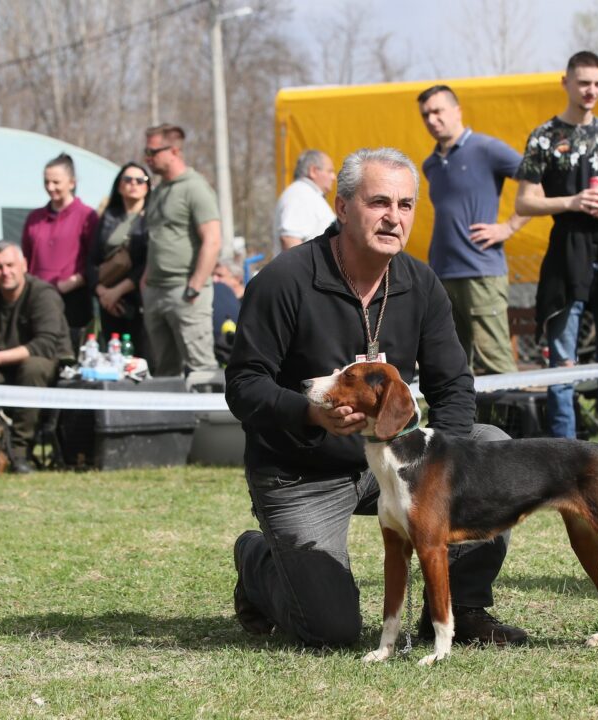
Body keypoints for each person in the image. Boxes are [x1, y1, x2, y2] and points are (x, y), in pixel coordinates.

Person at [225, 147, 526, 648]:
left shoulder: (420, 283)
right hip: (304, 470)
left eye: (405, 205)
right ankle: (257, 559)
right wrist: (312, 414)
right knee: (332, 631)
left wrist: (436, 466)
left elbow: (453, 385)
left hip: (394, 458)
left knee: (490, 444)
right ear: (342, 208)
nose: (394, 217)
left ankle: (458, 609)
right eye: (379, 202)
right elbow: (243, 385)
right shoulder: (284, 280)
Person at [514, 51, 598, 454]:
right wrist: (573, 202)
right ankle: (565, 458)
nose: (591, 91)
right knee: (561, 361)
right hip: (566, 253)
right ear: (565, 82)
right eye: (584, 83)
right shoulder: (544, 136)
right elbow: (524, 202)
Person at [417, 84, 527, 375]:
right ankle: (461, 423)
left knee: (496, 365)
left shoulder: (486, 149)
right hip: (442, 275)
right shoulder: (431, 164)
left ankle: (508, 423)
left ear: (457, 111)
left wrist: (508, 226)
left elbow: (537, 181)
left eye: (438, 111)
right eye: (425, 114)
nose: (431, 120)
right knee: (451, 365)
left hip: (481, 273)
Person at [0, 242, 73, 474]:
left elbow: (44, 343)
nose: (5, 272)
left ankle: (20, 452)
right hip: (4, 368)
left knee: (32, 368)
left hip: (45, 364)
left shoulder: (43, 294)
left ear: (23, 265)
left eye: (10, 265)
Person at [142, 124, 221, 377]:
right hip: (156, 291)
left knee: (201, 369)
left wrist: (195, 286)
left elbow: (212, 239)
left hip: (186, 293)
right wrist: (146, 281)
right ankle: (173, 419)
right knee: (164, 371)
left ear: (174, 150)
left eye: (152, 151)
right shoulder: (158, 191)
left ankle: (206, 418)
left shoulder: (194, 187)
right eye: (146, 151)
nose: (147, 158)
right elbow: (156, 239)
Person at [21, 153, 98, 348]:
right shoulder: (34, 218)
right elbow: (26, 258)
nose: (50, 187)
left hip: (73, 298)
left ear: (71, 183)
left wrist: (76, 280)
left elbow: (95, 258)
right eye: (46, 182)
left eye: (56, 182)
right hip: (38, 297)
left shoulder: (87, 216)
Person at [89, 162, 151, 362]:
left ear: (147, 187)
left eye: (140, 180)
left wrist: (120, 290)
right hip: (108, 302)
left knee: (142, 358)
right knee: (114, 358)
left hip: (139, 299)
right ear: (119, 185)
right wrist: (103, 293)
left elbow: (149, 261)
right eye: (127, 179)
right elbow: (92, 258)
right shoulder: (108, 217)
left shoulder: (153, 218)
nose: (133, 184)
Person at [272, 149, 336, 257]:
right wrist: (307, 273)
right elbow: (289, 239)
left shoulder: (306, 194)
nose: (333, 177)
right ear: (313, 171)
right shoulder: (300, 194)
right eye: (329, 171)